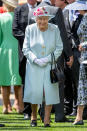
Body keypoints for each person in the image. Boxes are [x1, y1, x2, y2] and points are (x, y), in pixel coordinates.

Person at [22, 7, 63, 127]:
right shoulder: (30, 29)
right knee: (34, 92)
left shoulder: (54, 29)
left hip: (50, 66)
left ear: (48, 19)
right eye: (40, 19)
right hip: (34, 66)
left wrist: (48, 59)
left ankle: (46, 119)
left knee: (50, 92)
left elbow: (59, 47)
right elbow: (26, 48)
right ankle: (33, 117)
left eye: (45, 19)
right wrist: (35, 59)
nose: (42, 22)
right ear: (35, 19)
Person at [34, 0, 73, 122]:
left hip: (37, 55)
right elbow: (62, 34)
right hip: (54, 54)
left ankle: (42, 112)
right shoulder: (55, 10)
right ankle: (59, 115)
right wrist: (69, 55)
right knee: (58, 83)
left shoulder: (32, 11)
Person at [12, 0, 40, 120]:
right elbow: (15, 30)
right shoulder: (19, 9)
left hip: (41, 50)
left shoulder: (42, 7)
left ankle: (42, 111)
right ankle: (27, 111)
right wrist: (29, 41)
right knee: (26, 81)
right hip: (24, 51)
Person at [0, 0, 23, 114]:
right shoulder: (19, 17)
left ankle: (5, 107)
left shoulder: (1, 17)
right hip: (17, 49)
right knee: (18, 81)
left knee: (4, 82)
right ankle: (19, 106)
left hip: (4, 49)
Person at [66, 0, 87, 125]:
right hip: (83, 57)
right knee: (82, 86)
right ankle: (79, 117)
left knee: (82, 86)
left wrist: (83, 44)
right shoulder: (83, 17)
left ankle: (79, 117)